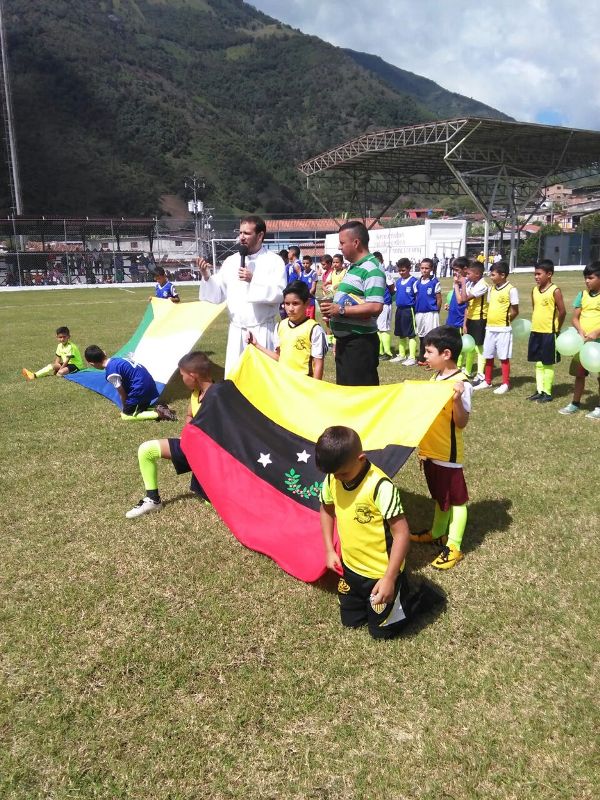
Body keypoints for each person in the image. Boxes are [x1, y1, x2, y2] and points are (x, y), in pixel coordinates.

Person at [316, 425, 444, 639]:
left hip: (380, 575)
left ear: (361, 458)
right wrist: (329, 550)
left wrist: (389, 579)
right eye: (333, 474)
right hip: (350, 570)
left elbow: (402, 534)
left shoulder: (380, 487)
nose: (337, 479)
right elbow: (326, 509)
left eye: (343, 473)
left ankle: (416, 597)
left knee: (381, 633)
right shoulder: (333, 477)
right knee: (351, 623)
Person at [410, 326, 472, 569]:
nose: (424, 356)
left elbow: (462, 422)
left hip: (448, 453)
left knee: (457, 500)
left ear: (446, 354)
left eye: (428, 352)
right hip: (431, 452)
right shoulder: (436, 378)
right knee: (439, 497)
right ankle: (437, 533)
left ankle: (454, 546)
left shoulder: (461, 383)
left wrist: (456, 400)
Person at [196, 215, 287, 376]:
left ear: (260, 236)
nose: (242, 237)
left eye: (247, 233)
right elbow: (218, 294)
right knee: (235, 378)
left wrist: (253, 280)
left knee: (262, 378)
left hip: (262, 329)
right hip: (237, 330)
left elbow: (280, 293)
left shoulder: (274, 261)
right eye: (240, 232)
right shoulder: (231, 261)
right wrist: (206, 276)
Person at [125, 351, 213, 518]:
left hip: (212, 459)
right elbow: (190, 415)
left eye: (182, 375)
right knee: (146, 450)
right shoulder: (196, 393)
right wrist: (189, 433)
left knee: (213, 503)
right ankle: (152, 500)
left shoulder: (218, 396)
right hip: (192, 447)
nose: (181, 379)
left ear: (193, 376)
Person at [320, 222, 385, 386]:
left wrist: (340, 310)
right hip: (346, 343)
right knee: (347, 394)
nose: (339, 247)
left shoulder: (372, 269)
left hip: (359, 344)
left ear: (356, 243)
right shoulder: (354, 268)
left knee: (361, 396)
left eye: (342, 243)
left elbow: (376, 306)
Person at [247, 280, 327, 379]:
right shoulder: (280, 326)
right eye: (287, 303)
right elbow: (279, 358)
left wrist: (314, 389)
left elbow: (318, 363)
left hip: (304, 385)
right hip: (284, 383)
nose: (290, 308)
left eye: (295, 303)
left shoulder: (314, 329)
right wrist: (256, 345)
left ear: (306, 303)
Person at [84, 345, 177, 422]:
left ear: (92, 363)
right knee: (140, 409)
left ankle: (159, 414)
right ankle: (160, 408)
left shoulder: (111, 371)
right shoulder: (118, 360)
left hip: (141, 390)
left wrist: (125, 408)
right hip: (151, 388)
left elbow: (121, 392)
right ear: (104, 353)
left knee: (126, 415)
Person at [559, 261, 600, 419]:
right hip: (582, 343)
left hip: (597, 344)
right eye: (585, 278)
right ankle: (575, 403)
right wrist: (581, 331)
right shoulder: (582, 295)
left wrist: (596, 332)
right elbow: (575, 318)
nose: (587, 281)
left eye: (591, 277)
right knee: (579, 374)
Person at [473, 260, 519, 394]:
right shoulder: (491, 289)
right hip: (489, 328)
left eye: (493, 275)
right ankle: (487, 381)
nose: (491, 277)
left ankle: (505, 383)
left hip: (503, 329)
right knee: (488, 355)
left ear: (503, 275)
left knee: (503, 356)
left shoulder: (511, 289)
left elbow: (515, 310)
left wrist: (505, 320)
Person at [527, 260, 566, 403]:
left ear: (549, 274)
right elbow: (535, 308)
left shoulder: (555, 291)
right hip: (536, 330)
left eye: (539, 274)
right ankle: (539, 390)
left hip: (549, 332)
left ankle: (547, 393)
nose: (536, 277)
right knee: (538, 362)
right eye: (535, 274)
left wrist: (557, 328)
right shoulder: (534, 290)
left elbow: (562, 312)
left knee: (547, 362)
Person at [458, 260, 488, 381]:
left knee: (479, 347)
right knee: (470, 346)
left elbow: (464, 298)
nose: (467, 276)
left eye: (469, 273)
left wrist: (463, 282)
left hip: (479, 319)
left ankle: (481, 373)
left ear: (477, 274)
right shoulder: (472, 284)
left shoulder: (482, 285)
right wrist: (465, 323)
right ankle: (468, 370)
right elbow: (464, 304)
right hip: (470, 318)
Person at [390, 257, 418, 365]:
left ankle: (412, 357)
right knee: (401, 333)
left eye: (403, 270)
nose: (401, 272)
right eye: (399, 270)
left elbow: (417, 296)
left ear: (409, 269)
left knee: (410, 334)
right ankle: (402, 355)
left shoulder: (413, 281)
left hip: (409, 310)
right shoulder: (398, 282)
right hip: (399, 309)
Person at [414, 258, 442, 365]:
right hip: (419, 313)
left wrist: (436, 311)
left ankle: (433, 359)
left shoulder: (435, 282)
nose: (424, 270)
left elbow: (439, 299)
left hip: (431, 313)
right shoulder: (417, 283)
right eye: (422, 268)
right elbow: (417, 297)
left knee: (431, 336)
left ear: (431, 269)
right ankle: (422, 358)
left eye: (427, 268)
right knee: (421, 336)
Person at [373, 251, 394, 360]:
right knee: (377, 328)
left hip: (385, 303)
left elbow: (392, 288)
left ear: (382, 261)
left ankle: (388, 352)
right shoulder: (373, 273)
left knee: (383, 328)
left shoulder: (385, 274)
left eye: (378, 261)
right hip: (376, 303)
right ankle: (379, 351)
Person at [299, 255, 318, 320]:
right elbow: (299, 286)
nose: (305, 265)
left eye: (307, 263)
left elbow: (313, 288)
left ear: (311, 263)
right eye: (303, 263)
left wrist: (306, 295)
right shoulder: (301, 274)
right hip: (303, 301)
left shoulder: (313, 273)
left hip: (310, 300)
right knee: (303, 318)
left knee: (311, 319)